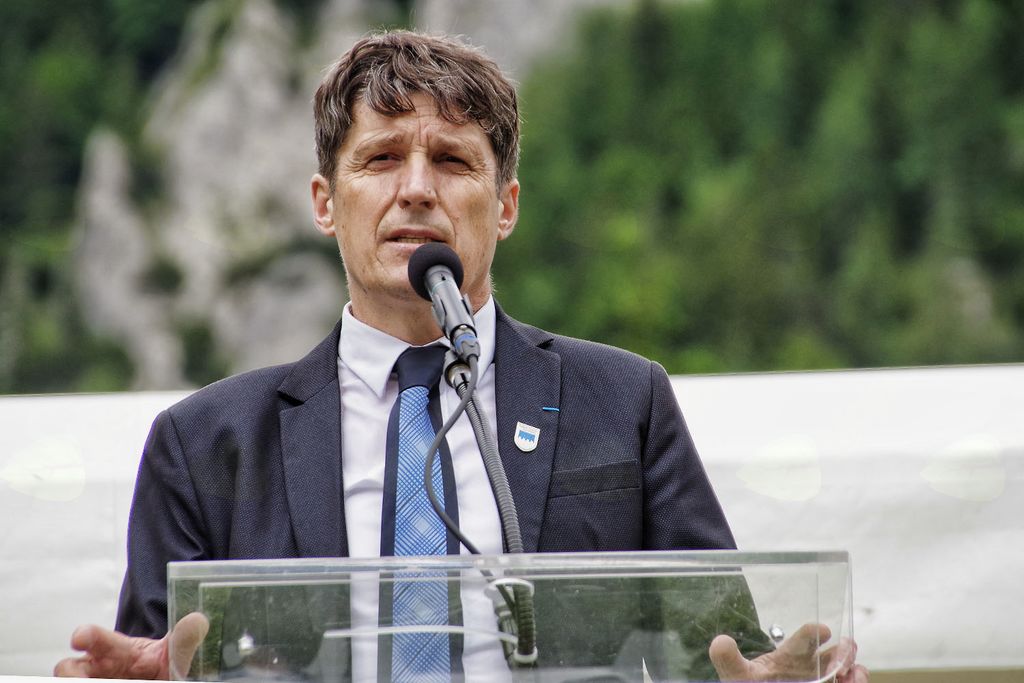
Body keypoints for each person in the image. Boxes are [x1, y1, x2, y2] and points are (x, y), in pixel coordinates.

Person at [55, 31, 868, 682]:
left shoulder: (625, 400)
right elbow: (151, 659)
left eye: (451, 160)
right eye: (381, 159)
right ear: (325, 203)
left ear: (505, 206)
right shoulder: (204, 443)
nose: (416, 188)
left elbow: (723, 649)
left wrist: (772, 674)